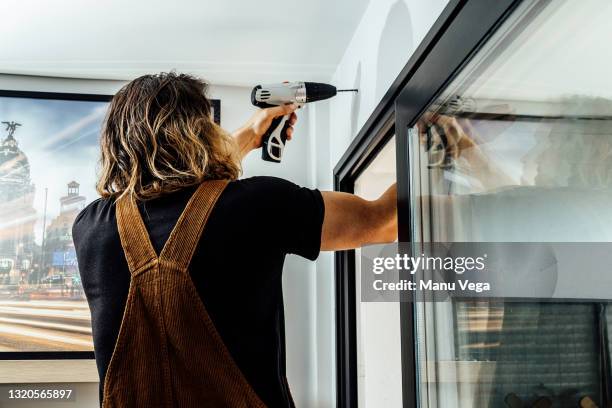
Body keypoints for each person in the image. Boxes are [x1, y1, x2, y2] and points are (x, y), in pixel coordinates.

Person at [73, 72, 397, 407]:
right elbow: (382, 221)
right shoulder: (259, 204)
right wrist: (430, 137)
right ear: (198, 132)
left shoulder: (90, 228)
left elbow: (194, 201)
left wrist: (252, 133)